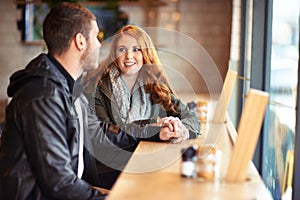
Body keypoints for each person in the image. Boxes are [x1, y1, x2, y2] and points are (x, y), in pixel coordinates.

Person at [0, 3, 186, 200]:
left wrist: (157, 132)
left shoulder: (70, 87)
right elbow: (59, 184)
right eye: (96, 37)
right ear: (80, 41)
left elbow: (101, 136)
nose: (100, 44)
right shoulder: (43, 94)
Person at [83, 25, 201, 189]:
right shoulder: (97, 86)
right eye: (122, 49)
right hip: (107, 168)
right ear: (114, 54)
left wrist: (181, 129)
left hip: (142, 159)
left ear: (146, 53)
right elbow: (106, 135)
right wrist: (154, 130)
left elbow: (191, 118)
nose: (128, 56)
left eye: (136, 49)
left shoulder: (154, 85)